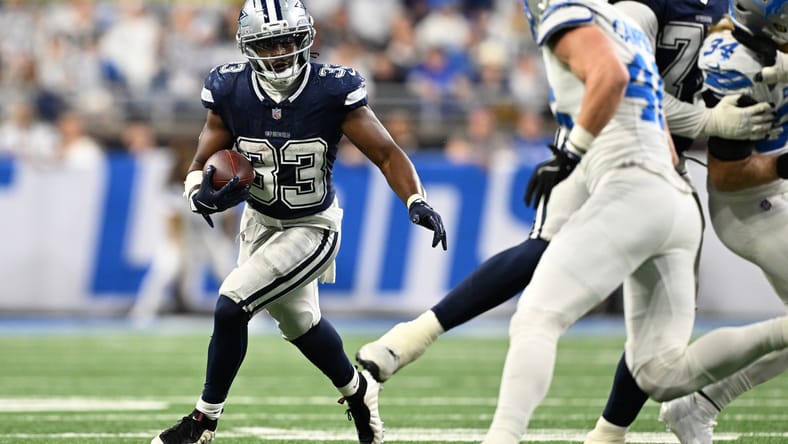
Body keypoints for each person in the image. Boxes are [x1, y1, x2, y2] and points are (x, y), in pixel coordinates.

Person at [356, 0, 774, 393]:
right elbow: (625, 82)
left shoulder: (728, 8)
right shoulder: (640, 6)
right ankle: (413, 337)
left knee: (664, 327)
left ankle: (612, 430)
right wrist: (708, 119)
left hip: (667, 159)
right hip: (606, 138)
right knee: (545, 250)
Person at [480, 1, 788, 443]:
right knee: (662, 371)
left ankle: (503, 438)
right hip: (680, 199)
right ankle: (619, 431)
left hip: (636, 184)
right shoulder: (639, 25)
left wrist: (570, 152)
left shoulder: (587, 18)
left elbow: (614, 78)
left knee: (537, 318)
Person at [150, 1, 447, 444]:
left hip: (313, 226)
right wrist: (200, 194)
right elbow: (199, 161)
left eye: (289, 40)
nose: (282, 51)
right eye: (270, 43)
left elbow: (386, 153)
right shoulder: (230, 89)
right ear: (250, 47)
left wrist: (415, 200)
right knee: (300, 325)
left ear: (306, 38)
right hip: (260, 221)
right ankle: (358, 389)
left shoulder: (331, 90)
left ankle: (202, 423)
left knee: (232, 302)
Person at [657, 3, 788, 443]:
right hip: (749, 205)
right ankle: (697, 401)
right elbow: (728, 174)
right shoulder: (735, 66)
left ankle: (698, 405)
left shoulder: (767, 41)